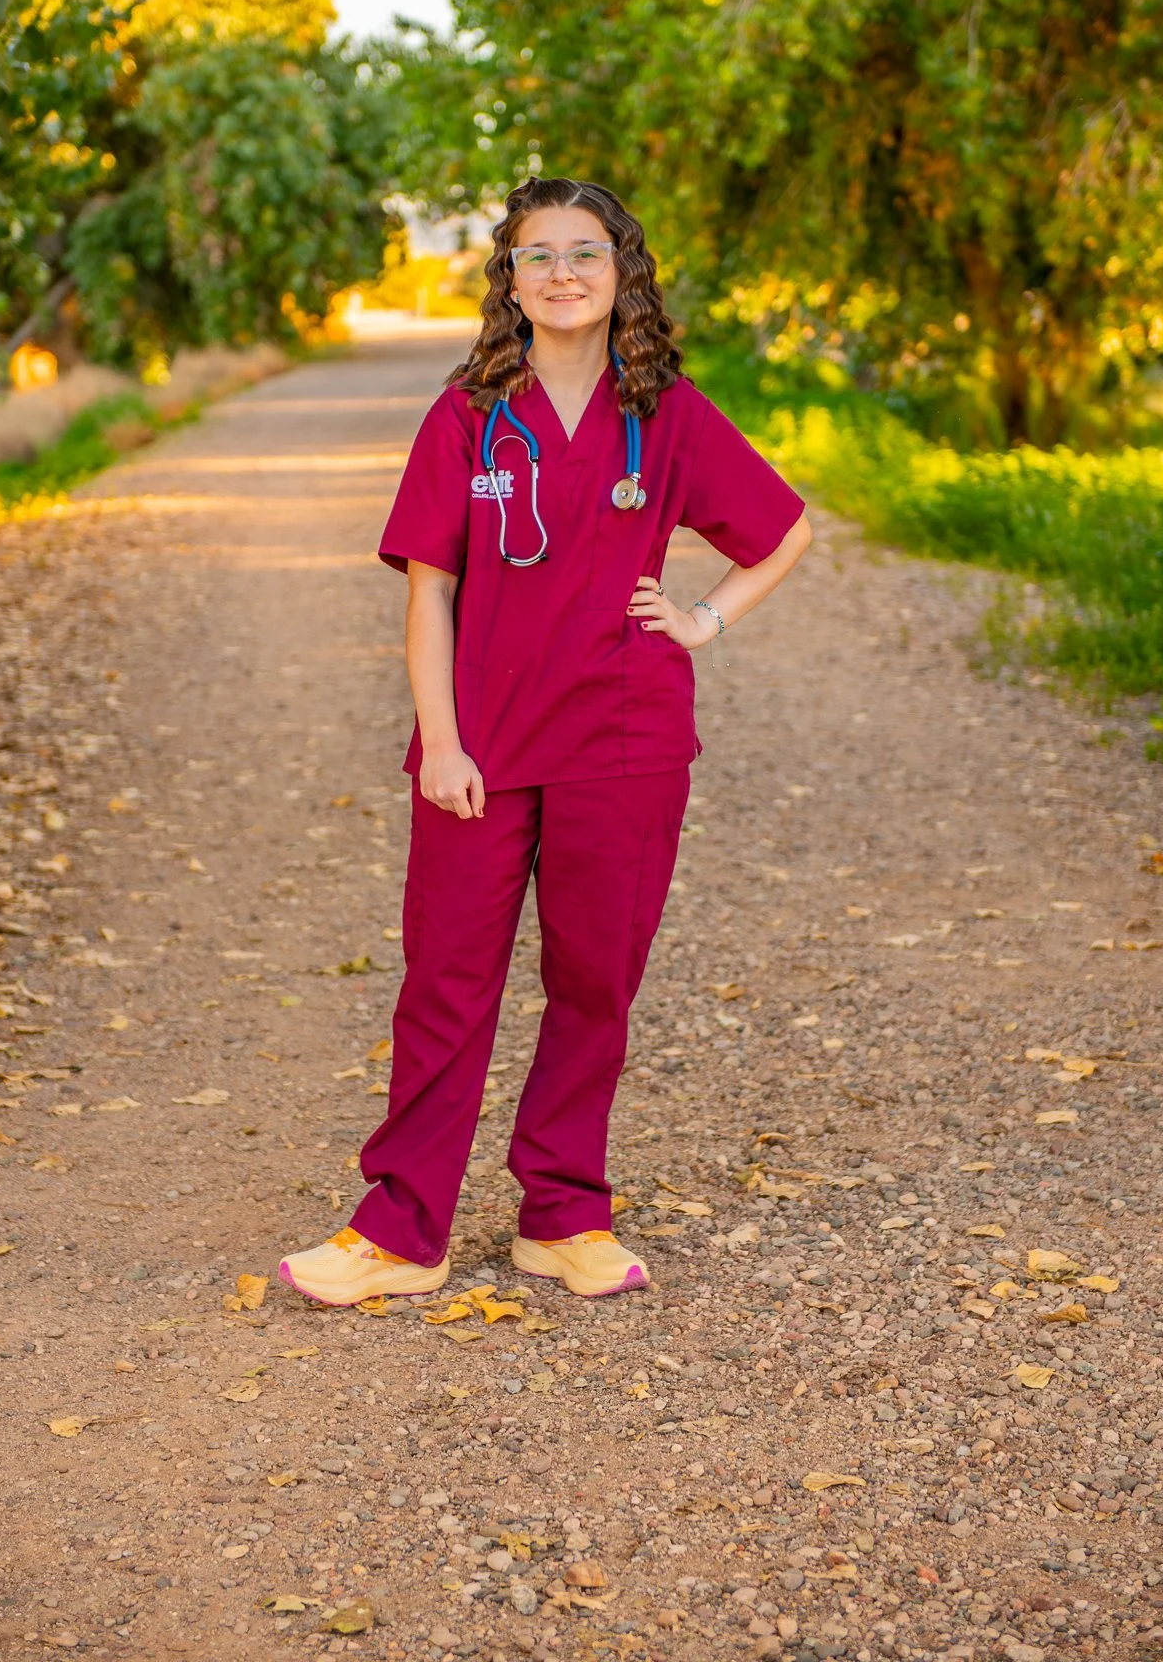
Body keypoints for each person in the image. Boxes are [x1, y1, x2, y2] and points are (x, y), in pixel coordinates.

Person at [279, 176, 811, 1306]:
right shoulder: (467, 415)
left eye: (586, 252)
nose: (562, 273)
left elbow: (783, 528)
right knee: (445, 985)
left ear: (623, 274)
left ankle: (564, 1214)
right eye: (537, 255)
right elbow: (428, 594)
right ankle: (401, 1230)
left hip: (626, 744)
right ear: (509, 280)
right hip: (480, 750)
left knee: (593, 984)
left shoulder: (665, 413)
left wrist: (706, 618)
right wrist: (442, 741)